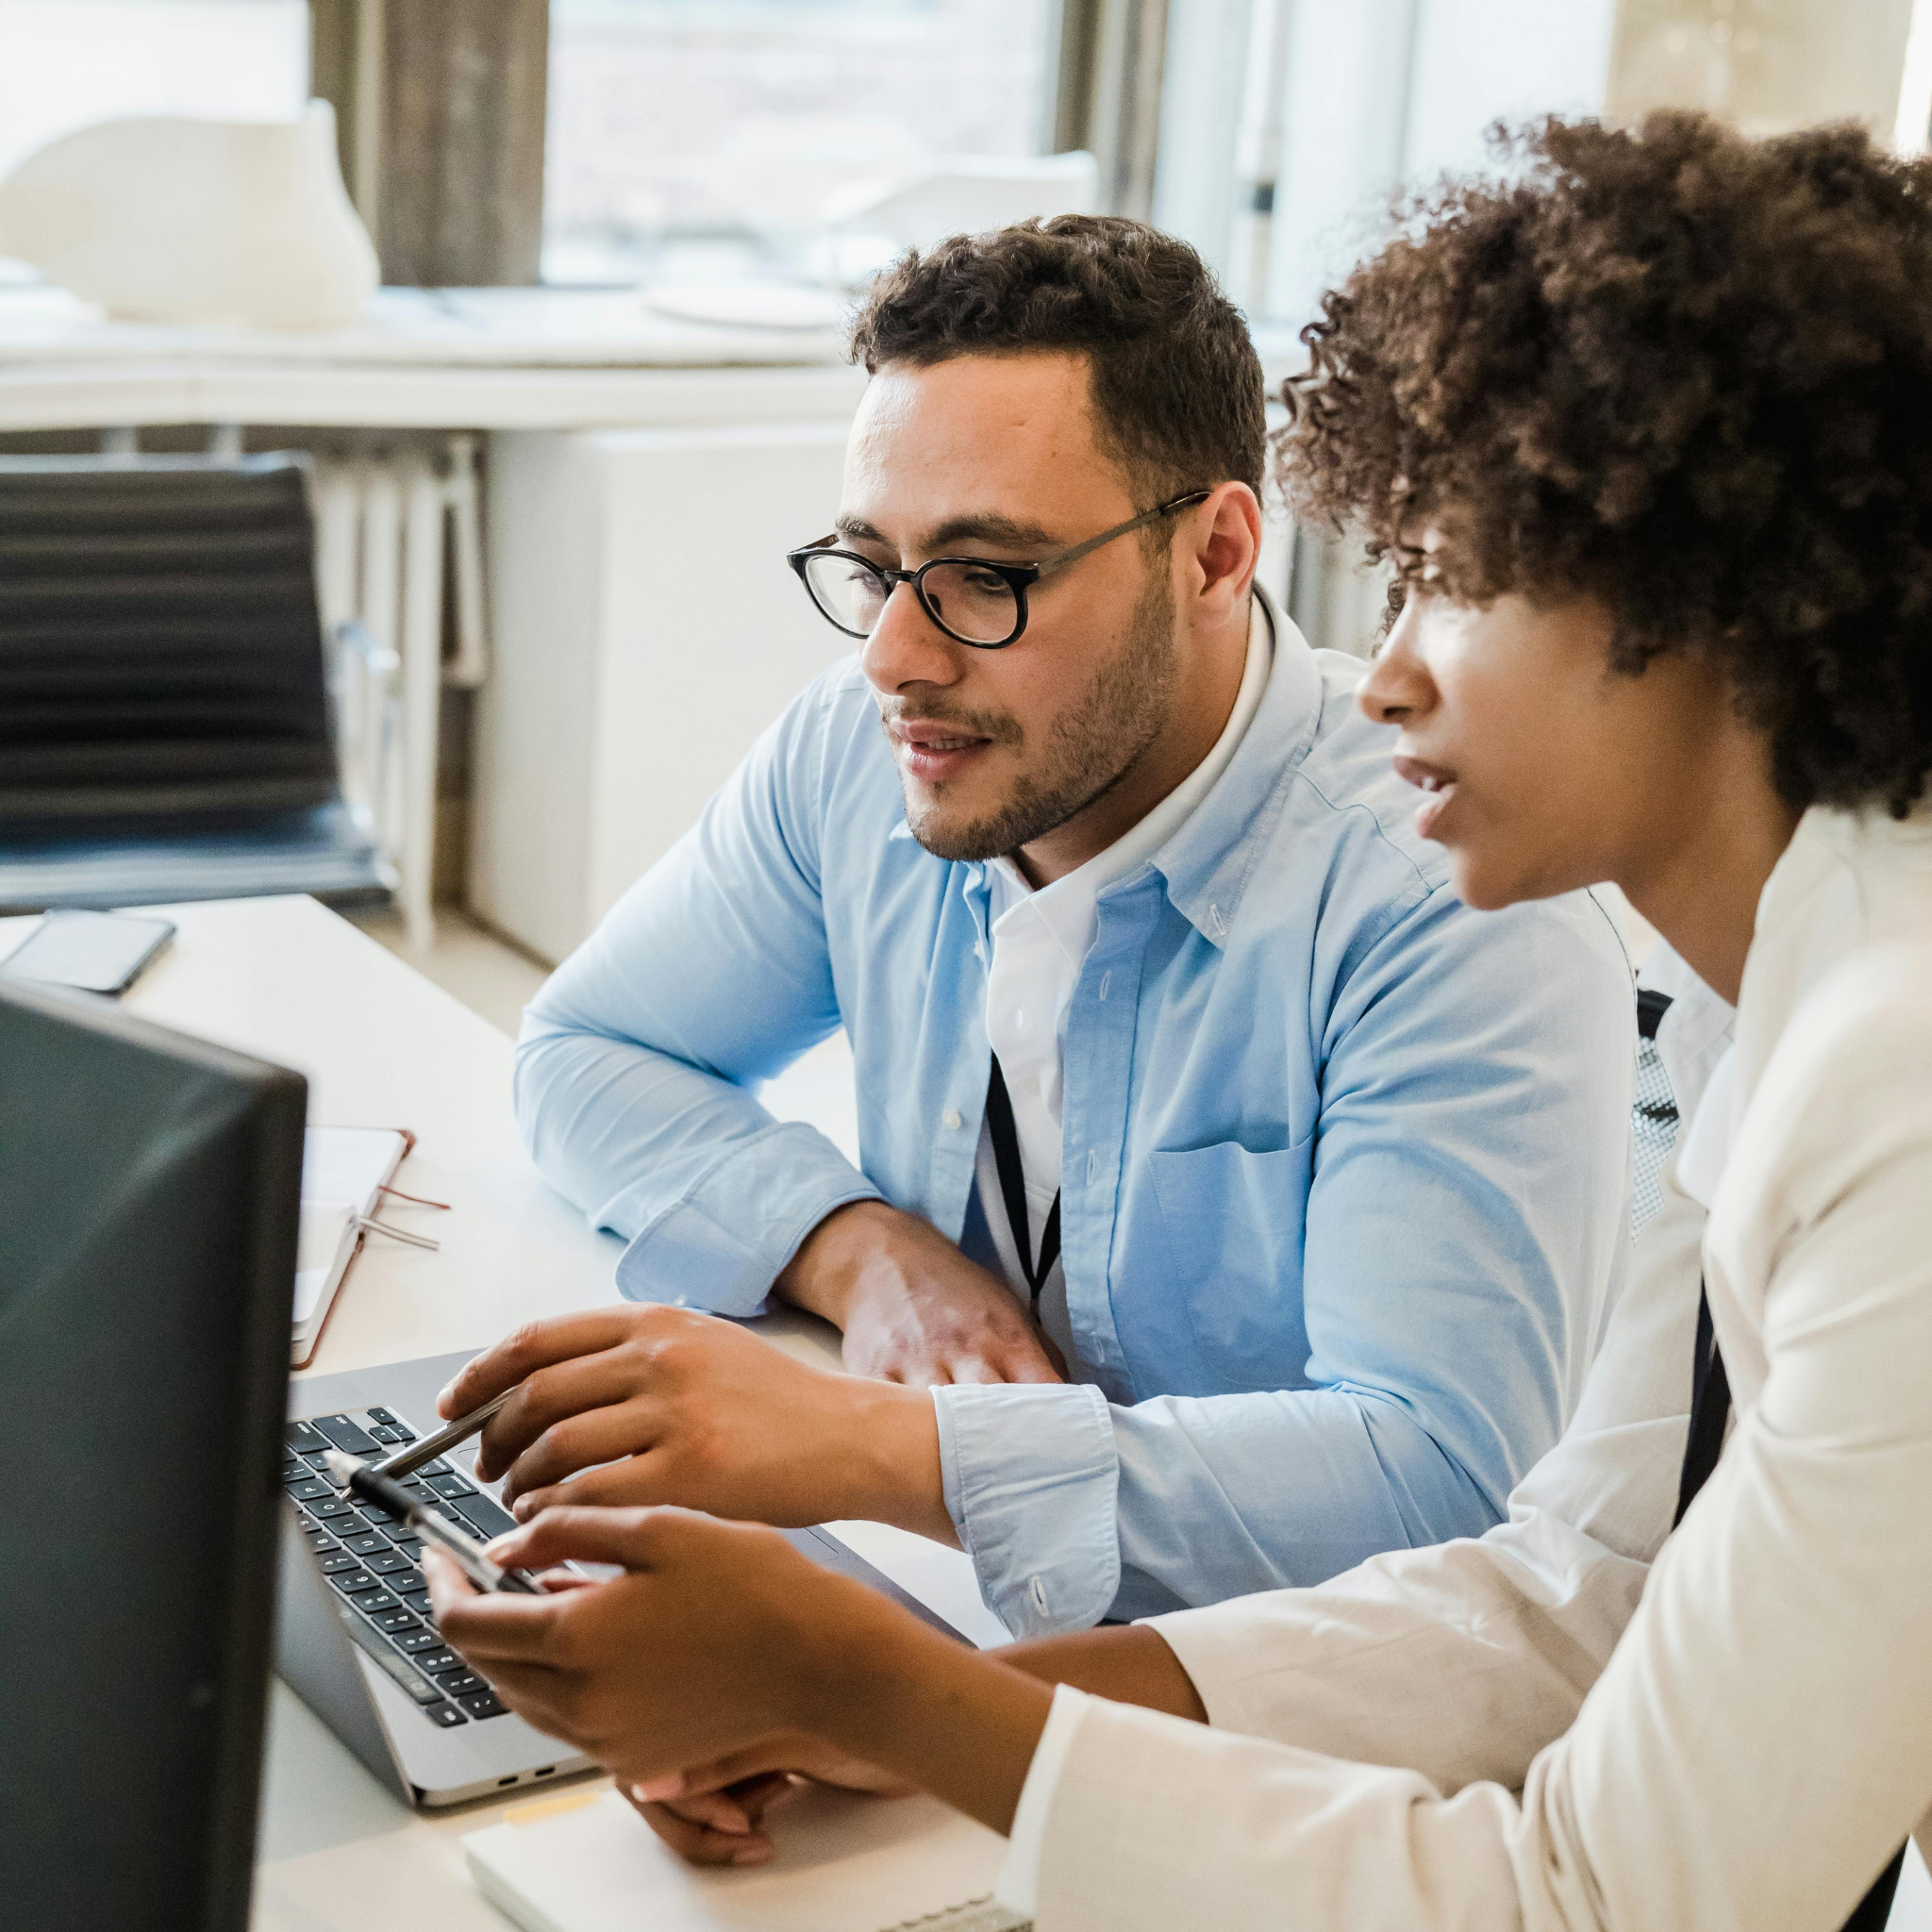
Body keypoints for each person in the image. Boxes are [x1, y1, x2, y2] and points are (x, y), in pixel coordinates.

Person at [429, 112, 1932, 1927]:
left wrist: (876, 1674)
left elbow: (1588, 1892)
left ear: (1717, 613)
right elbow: (1567, 1606)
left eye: (1454, 576)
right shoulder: (1744, 1010)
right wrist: (933, 1708)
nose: (1381, 672)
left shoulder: (1884, 1087)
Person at [442, 217, 1635, 1641]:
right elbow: (585, 1049)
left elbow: (1437, 1485)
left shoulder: (1445, 896)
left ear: (1215, 553)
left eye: (985, 576)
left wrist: (856, 1445)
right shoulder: (868, 748)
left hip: (1285, 1719)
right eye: (871, 565)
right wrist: (858, 1248)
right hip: (960, 1604)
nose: (895, 654)